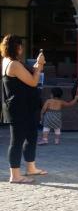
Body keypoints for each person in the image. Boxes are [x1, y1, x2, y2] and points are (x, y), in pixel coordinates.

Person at [1, 35, 47, 184]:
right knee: (17, 140)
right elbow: (33, 82)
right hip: (19, 108)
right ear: (17, 47)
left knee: (31, 136)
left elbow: (25, 78)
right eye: (20, 46)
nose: (22, 49)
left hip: (26, 107)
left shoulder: (9, 61)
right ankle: (15, 175)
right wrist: (39, 67)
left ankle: (31, 168)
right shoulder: (13, 64)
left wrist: (35, 68)